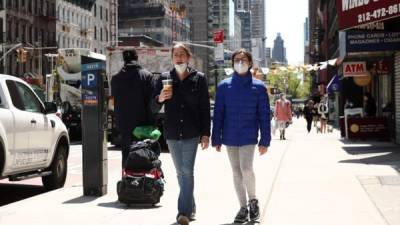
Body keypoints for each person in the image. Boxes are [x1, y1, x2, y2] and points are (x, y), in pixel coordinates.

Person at [151, 43, 210, 225]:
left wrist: (206, 133)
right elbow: (153, 107)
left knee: (187, 171)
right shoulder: (164, 78)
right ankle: (190, 206)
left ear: (188, 57)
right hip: (172, 132)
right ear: (172, 58)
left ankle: (182, 213)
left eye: (182, 54)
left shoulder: (199, 78)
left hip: (192, 132)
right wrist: (160, 98)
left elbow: (204, 108)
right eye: (176, 54)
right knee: (180, 173)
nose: (179, 57)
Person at [211, 49, 270, 224]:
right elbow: (219, 113)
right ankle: (243, 207)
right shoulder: (223, 86)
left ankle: (253, 201)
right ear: (232, 63)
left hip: (249, 136)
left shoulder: (259, 87)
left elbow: (264, 115)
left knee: (246, 168)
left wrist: (265, 140)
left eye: (244, 60)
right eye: (237, 60)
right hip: (229, 136)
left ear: (250, 63)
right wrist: (216, 138)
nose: (240, 62)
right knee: (236, 172)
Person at [111, 49, 155, 168]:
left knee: (126, 157)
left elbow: (114, 103)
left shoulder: (115, 79)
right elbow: (152, 105)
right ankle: (143, 184)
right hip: (143, 126)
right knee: (144, 157)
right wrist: (152, 125)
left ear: (124, 59)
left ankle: (127, 182)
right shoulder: (147, 76)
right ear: (137, 58)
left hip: (124, 126)